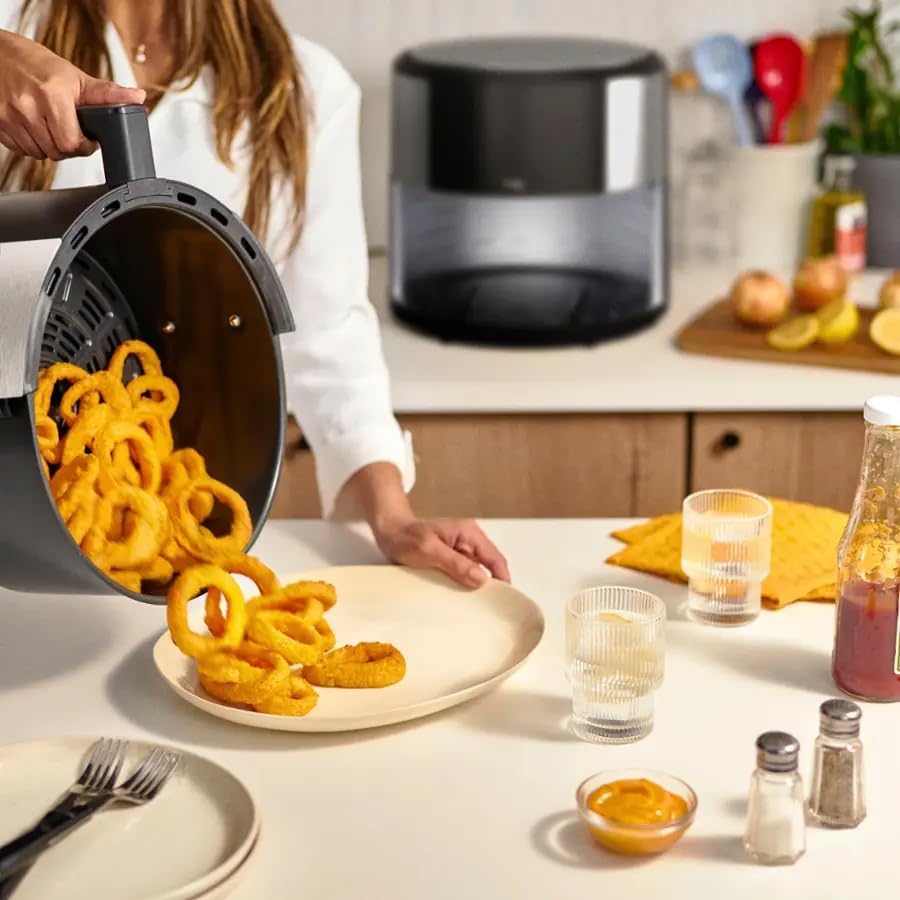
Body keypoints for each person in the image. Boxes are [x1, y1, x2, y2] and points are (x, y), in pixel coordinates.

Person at [0, 0, 510, 588]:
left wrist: (393, 518)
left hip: (130, 557)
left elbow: (330, 334)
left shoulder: (303, 89)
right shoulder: (16, 29)